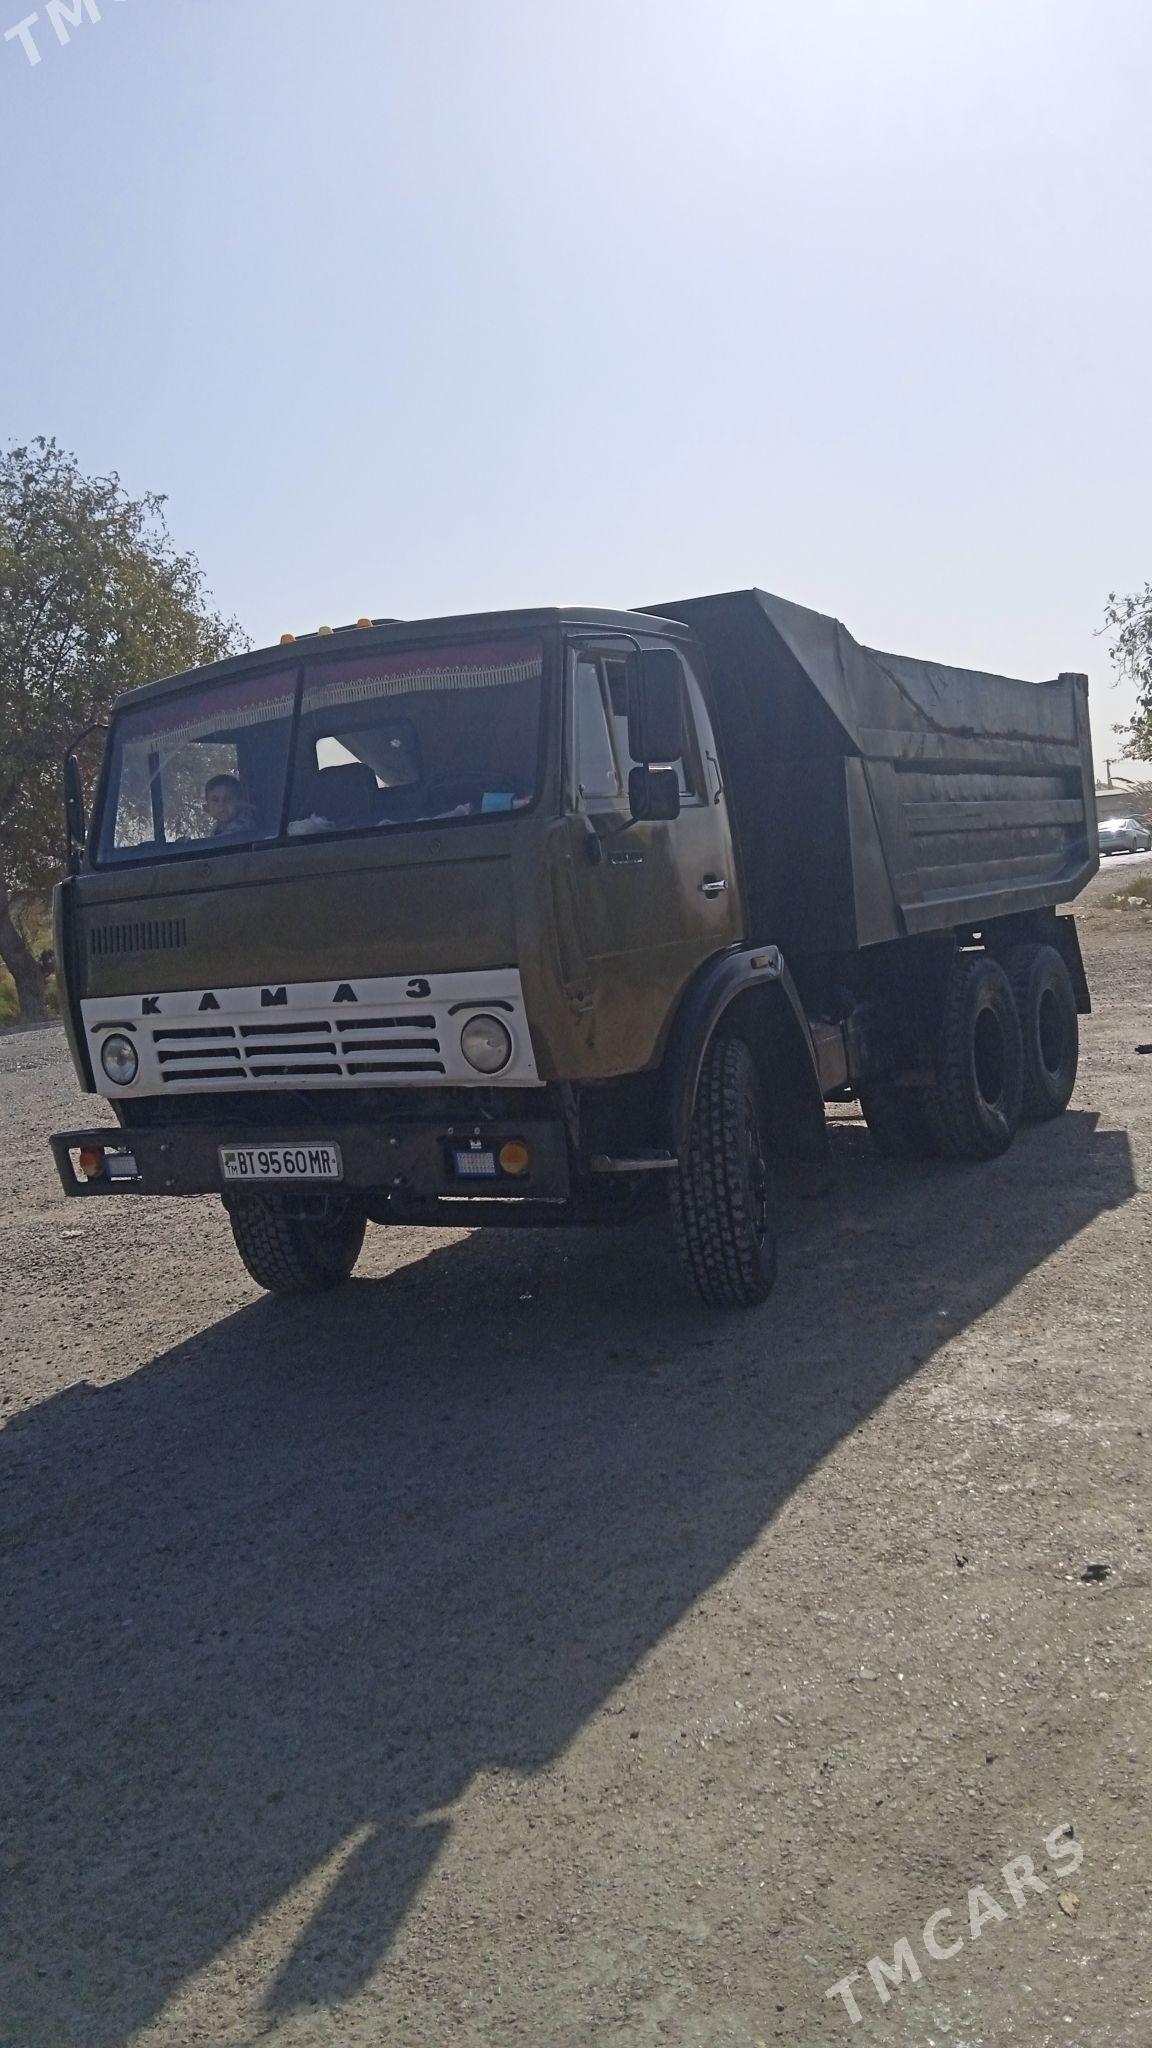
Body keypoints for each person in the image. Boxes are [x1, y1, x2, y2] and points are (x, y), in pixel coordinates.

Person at [203, 773, 258, 838]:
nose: (221, 804)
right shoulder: (218, 827)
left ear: (240, 803)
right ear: (207, 808)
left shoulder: (244, 824)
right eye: (215, 800)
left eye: (228, 799)